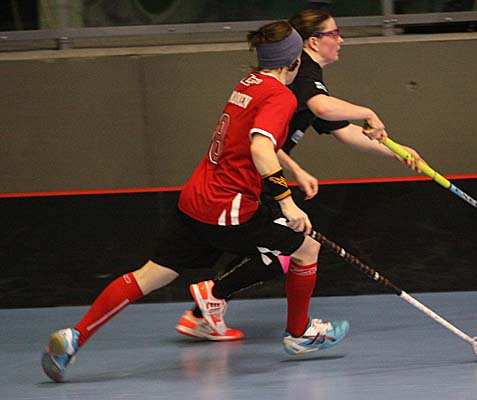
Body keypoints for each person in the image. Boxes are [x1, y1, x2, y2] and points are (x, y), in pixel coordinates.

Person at [41, 20, 356, 383]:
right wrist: (288, 202)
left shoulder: (248, 83)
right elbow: (260, 148)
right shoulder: (280, 96)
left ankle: (75, 337)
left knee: (150, 274)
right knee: (306, 250)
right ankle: (299, 335)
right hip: (228, 208)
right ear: (293, 60)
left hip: (195, 199)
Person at [175, 9, 424, 341]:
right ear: (313, 42)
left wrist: (399, 152)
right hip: (256, 180)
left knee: (283, 251)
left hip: (263, 177)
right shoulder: (302, 74)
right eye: (333, 33)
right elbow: (316, 111)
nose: (340, 40)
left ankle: (205, 308)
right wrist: (368, 112)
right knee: (291, 251)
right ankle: (243, 309)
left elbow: (342, 130)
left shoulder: (305, 77)